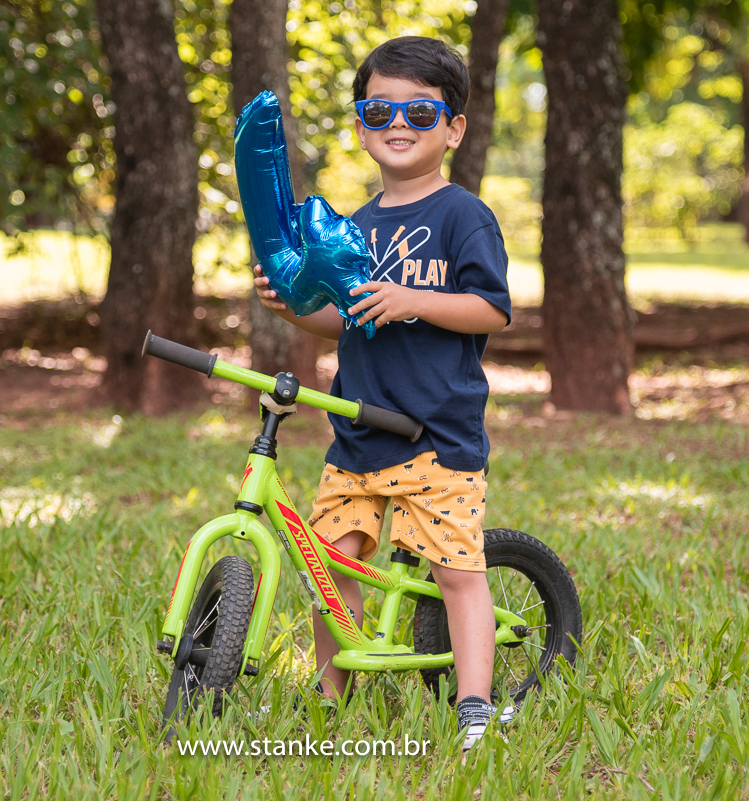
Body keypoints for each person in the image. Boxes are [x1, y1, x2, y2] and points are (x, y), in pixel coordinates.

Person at [253, 36, 513, 751]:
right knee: (330, 562)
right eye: (380, 109)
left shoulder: (465, 216)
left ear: (453, 128)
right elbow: (346, 318)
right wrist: (287, 308)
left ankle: (475, 704)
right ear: (363, 125)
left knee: (457, 571)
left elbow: (490, 309)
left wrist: (414, 299)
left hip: (437, 432)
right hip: (360, 428)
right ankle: (329, 698)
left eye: (421, 113)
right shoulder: (356, 225)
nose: (399, 124)